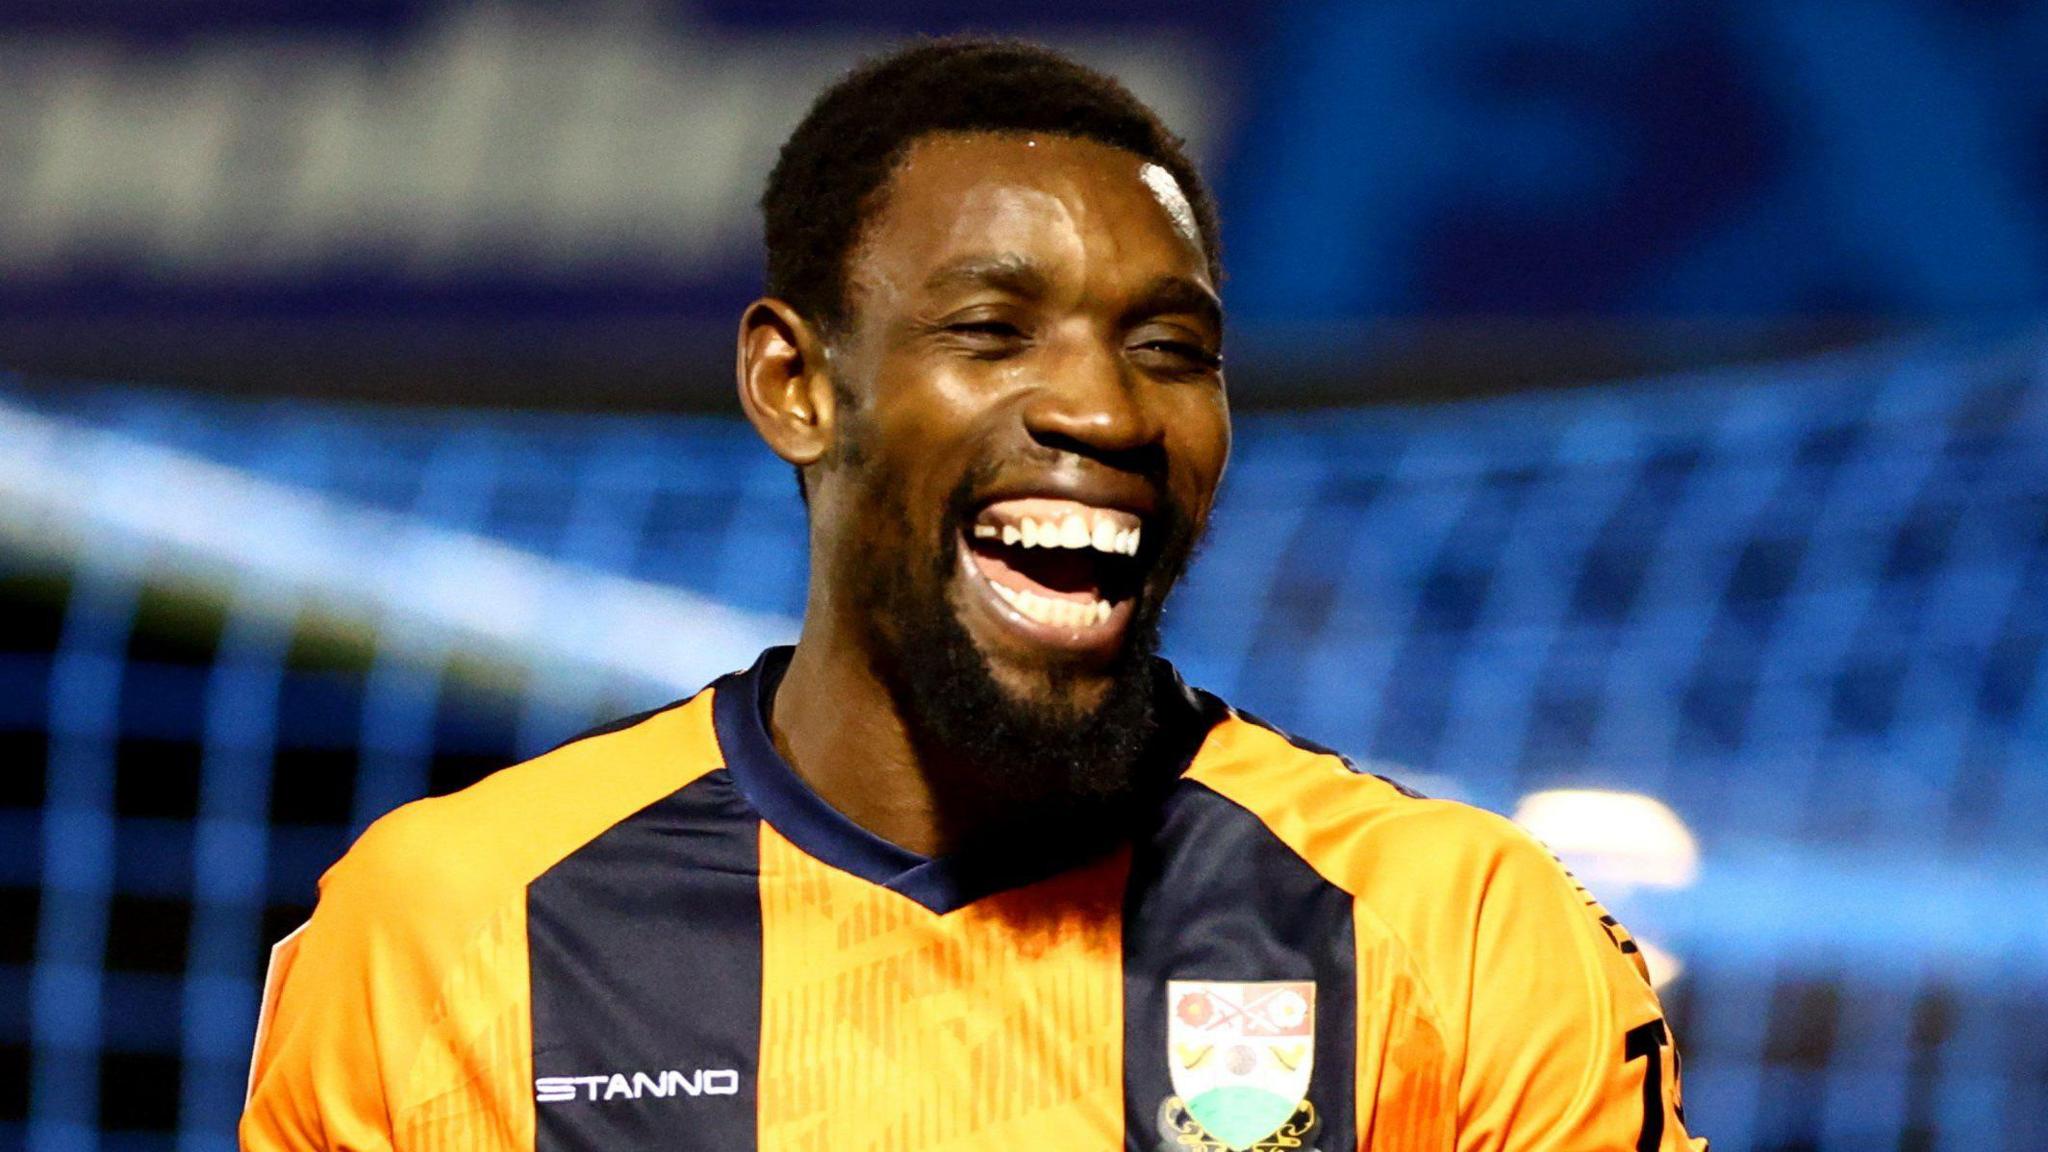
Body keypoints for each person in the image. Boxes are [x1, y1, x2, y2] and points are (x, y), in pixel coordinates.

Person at [241, 37, 1706, 1152]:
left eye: (1171, 348)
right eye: (995, 330)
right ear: (796, 385)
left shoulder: (1461, 936)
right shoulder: (450, 935)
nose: (1108, 412)